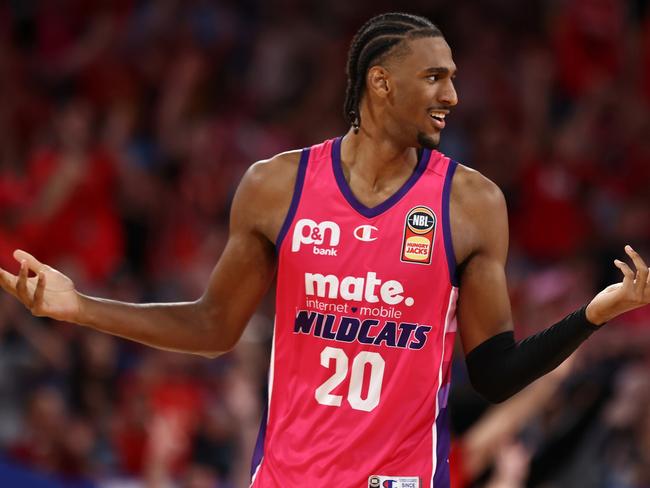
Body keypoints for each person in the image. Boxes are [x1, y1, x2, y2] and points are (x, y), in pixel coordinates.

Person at [1, 12, 649, 488]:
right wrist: (80, 308)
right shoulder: (276, 185)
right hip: (288, 477)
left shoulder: (471, 203)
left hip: (397, 481)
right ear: (380, 83)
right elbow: (211, 326)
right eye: (434, 78)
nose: (452, 97)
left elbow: (494, 373)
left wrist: (597, 312)